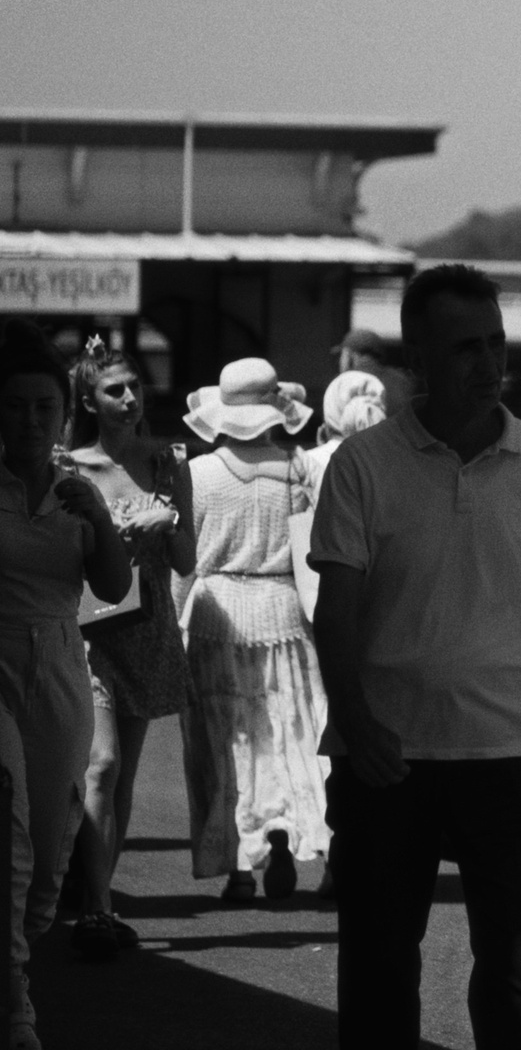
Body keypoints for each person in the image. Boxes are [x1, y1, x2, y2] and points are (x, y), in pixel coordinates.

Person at [309, 263, 521, 1050]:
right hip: (389, 758)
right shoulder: (364, 467)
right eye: (467, 346)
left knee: (514, 979)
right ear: (420, 356)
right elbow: (334, 617)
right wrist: (354, 723)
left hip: (512, 752)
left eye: (497, 342)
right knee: (381, 968)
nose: (489, 362)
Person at [0, 321, 131, 1050]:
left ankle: (17, 959)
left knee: (51, 852)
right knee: (11, 831)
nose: (27, 420)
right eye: (13, 405)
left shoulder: (80, 494)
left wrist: (102, 519)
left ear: (61, 415)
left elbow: (112, 588)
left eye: (42, 407)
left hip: (57, 664)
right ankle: (16, 1004)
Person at [181, 358, 333, 903]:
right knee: (291, 737)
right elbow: (312, 556)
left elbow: (184, 563)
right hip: (284, 612)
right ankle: (291, 842)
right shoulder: (297, 469)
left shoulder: (197, 474)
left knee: (226, 743)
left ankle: (240, 865)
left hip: (215, 615)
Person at [65, 338, 197, 959]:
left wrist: (168, 524)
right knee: (101, 762)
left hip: (147, 625)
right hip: (90, 625)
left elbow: (187, 559)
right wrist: (119, 529)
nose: (129, 399)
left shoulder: (168, 463)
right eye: (114, 389)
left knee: (124, 777)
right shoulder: (70, 466)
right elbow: (64, 556)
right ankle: (94, 904)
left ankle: (99, 897)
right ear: (88, 400)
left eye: (135, 387)